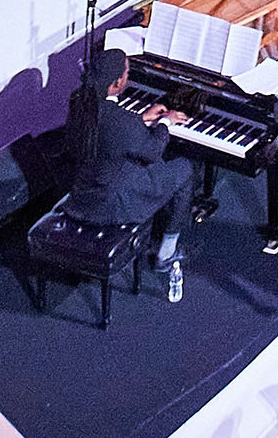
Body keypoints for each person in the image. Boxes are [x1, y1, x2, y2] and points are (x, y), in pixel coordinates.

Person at [65, 51, 197, 301]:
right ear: (117, 82)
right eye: (127, 73)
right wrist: (165, 123)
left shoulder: (80, 102)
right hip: (110, 205)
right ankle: (166, 253)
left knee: (148, 169)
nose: (128, 76)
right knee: (183, 168)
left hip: (81, 195)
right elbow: (151, 152)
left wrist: (140, 120)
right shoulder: (119, 120)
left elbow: (112, 134)